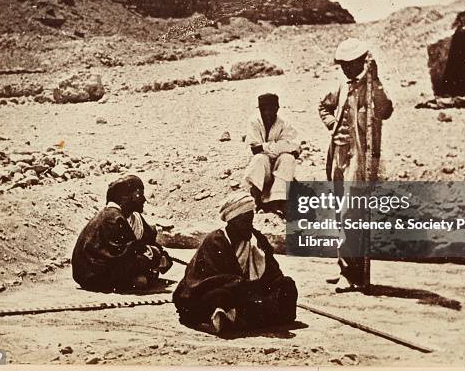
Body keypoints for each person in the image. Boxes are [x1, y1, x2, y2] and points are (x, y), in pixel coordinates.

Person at [318, 38, 393, 289]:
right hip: (339, 155)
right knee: (340, 211)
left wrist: (377, 81)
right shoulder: (340, 84)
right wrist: (332, 126)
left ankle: (352, 273)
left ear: (361, 62)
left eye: (352, 64)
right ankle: (345, 268)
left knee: (353, 211)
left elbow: (385, 111)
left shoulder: (372, 87)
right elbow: (324, 107)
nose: (348, 69)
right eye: (344, 65)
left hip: (360, 160)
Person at [173, 193, 298, 335]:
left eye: (251, 220)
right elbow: (211, 282)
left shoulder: (256, 239)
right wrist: (244, 285)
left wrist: (272, 285)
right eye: (245, 221)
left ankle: (235, 319)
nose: (249, 226)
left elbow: (273, 272)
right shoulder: (216, 241)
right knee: (221, 296)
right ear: (233, 221)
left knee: (287, 285)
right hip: (218, 293)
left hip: (248, 292)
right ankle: (236, 317)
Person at [72, 175, 172, 293]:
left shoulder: (133, 217)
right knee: (141, 280)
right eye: (139, 195)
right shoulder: (112, 217)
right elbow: (124, 254)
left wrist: (161, 254)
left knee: (149, 263)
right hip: (93, 275)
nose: (144, 199)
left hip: (110, 267)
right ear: (125, 198)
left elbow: (146, 241)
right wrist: (154, 257)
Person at [244, 93, 300, 212]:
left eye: (272, 109)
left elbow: (295, 148)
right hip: (262, 167)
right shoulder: (254, 122)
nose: (268, 113)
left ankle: (277, 201)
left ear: (277, 108)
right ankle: (257, 200)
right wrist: (279, 147)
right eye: (265, 109)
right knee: (260, 159)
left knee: (288, 158)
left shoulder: (284, 123)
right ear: (260, 109)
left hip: (277, 165)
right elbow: (255, 149)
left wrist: (265, 147)